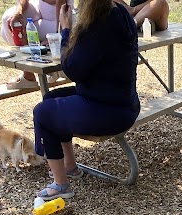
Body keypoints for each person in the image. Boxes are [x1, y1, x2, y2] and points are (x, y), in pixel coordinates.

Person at [32, 0, 139, 200]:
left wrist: (66, 31)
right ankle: (70, 166)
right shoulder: (119, 12)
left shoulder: (97, 25)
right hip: (123, 102)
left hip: (108, 110)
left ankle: (61, 185)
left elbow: (72, 69)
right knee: (51, 98)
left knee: (43, 113)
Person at [0, 0, 63, 88]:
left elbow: (62, 3)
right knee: (8, 19)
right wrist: (18, 12)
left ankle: (54, 68)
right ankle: (28, 75)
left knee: (30, 31)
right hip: (38, 8)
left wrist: (57, 36)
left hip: (58, 15)